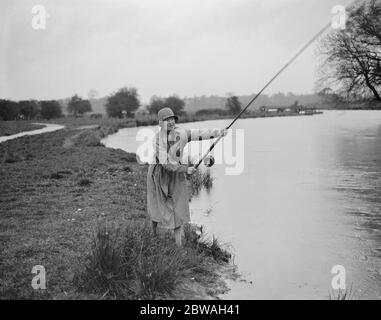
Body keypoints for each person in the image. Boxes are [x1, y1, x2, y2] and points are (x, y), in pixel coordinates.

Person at [146, 107, 227, 246]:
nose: (170, 122)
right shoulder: (157, 140)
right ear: (160, 123)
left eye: (172, 119)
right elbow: (166, 163)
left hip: (177, 174)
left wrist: (219, 132)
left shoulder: (181, 133)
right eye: (166, 120)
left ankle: (179, 247)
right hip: (158, 174)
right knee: (156, 207)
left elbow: (200, 134)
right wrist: (185, 169)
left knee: (178, 208)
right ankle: (152, 234)